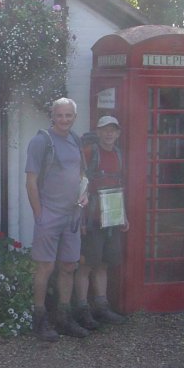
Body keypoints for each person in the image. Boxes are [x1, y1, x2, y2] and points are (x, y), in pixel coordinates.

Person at [25, 97, 89, 341]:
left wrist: (84, 193)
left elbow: (81, 174)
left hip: (72, 214)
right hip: (49, 213)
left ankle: (63, 317)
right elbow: (31, 181)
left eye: (68, 115)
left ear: (74, 117)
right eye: (60, 115)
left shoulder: (75, 139)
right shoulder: (41, 141)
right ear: (52, 116)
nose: (64, 120)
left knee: (69, 266)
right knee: (45, 267)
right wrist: (39, 215)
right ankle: (39, 319)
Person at [72, 116, 129, 330]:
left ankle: (101, 307)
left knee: (104, 263)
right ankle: (82, 308)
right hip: (91, 217)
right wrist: (80, 218)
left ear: (118, 133)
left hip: (111, 216)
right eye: (105, 130)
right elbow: (78, 181)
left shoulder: (118, 154)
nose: (109, 134)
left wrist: (123, 215)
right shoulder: (89, 152)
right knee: (86, 264)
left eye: (112, 130)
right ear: (98, 132)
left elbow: (119, 185)